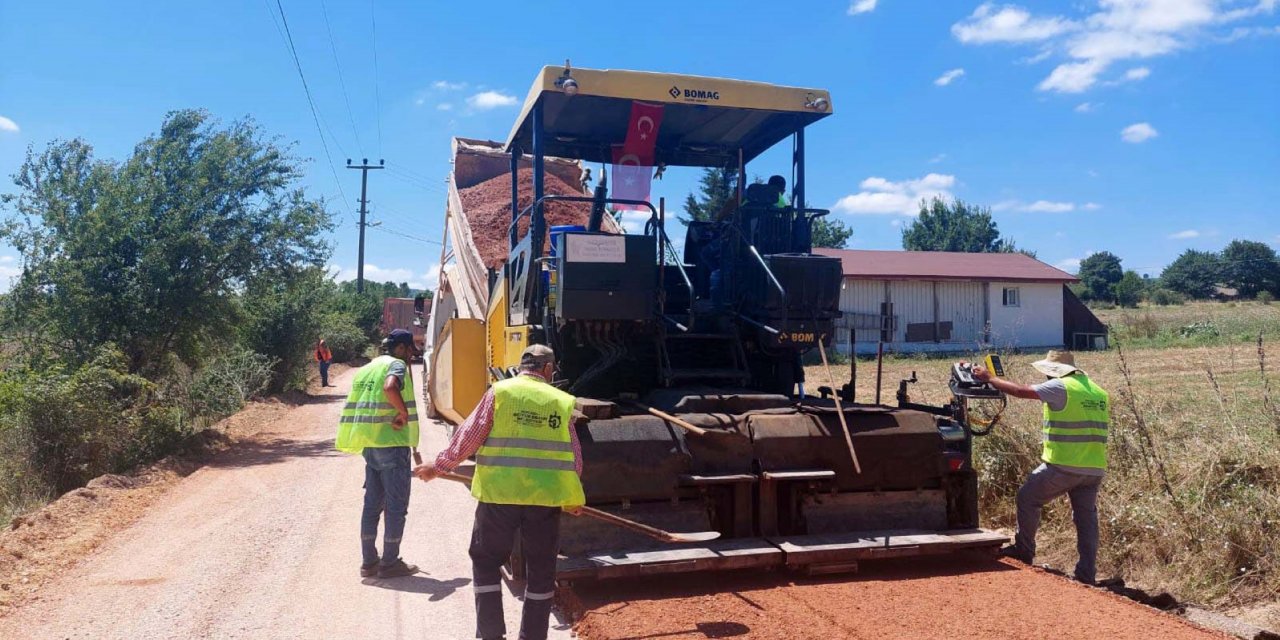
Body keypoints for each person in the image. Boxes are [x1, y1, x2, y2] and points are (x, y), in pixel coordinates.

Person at [414, 345, 585, 640]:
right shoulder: (561, 401)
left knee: (486, 562)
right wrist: (572, 499)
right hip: (542, 502)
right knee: (542, 572)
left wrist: (438, 467)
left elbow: (469, 436)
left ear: (522, 367)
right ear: (547, 369)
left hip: (498, 497)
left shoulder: (499, 392)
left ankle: (491, 635)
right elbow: (574, 459)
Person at [972, 350, 1110, 584]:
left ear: (1054, 372)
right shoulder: (1098, 391)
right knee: (1086, 520)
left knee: (1028, 498)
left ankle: (1024, 552)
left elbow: (1020, 391)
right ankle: (1087, 574)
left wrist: (989, 378)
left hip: (1064, 465)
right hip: (1093, 468)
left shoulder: (1060, 386)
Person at [335, 329, 421, 579]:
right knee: (396, 507)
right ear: (403, 348)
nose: (410, 356)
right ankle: (390, 562)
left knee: (372, 506)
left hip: (370, 445)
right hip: (392, 444)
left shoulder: (368, 367)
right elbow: (390, 387)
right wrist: (403, 414)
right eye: (409, 350)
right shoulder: (396, 365)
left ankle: (369, 561)